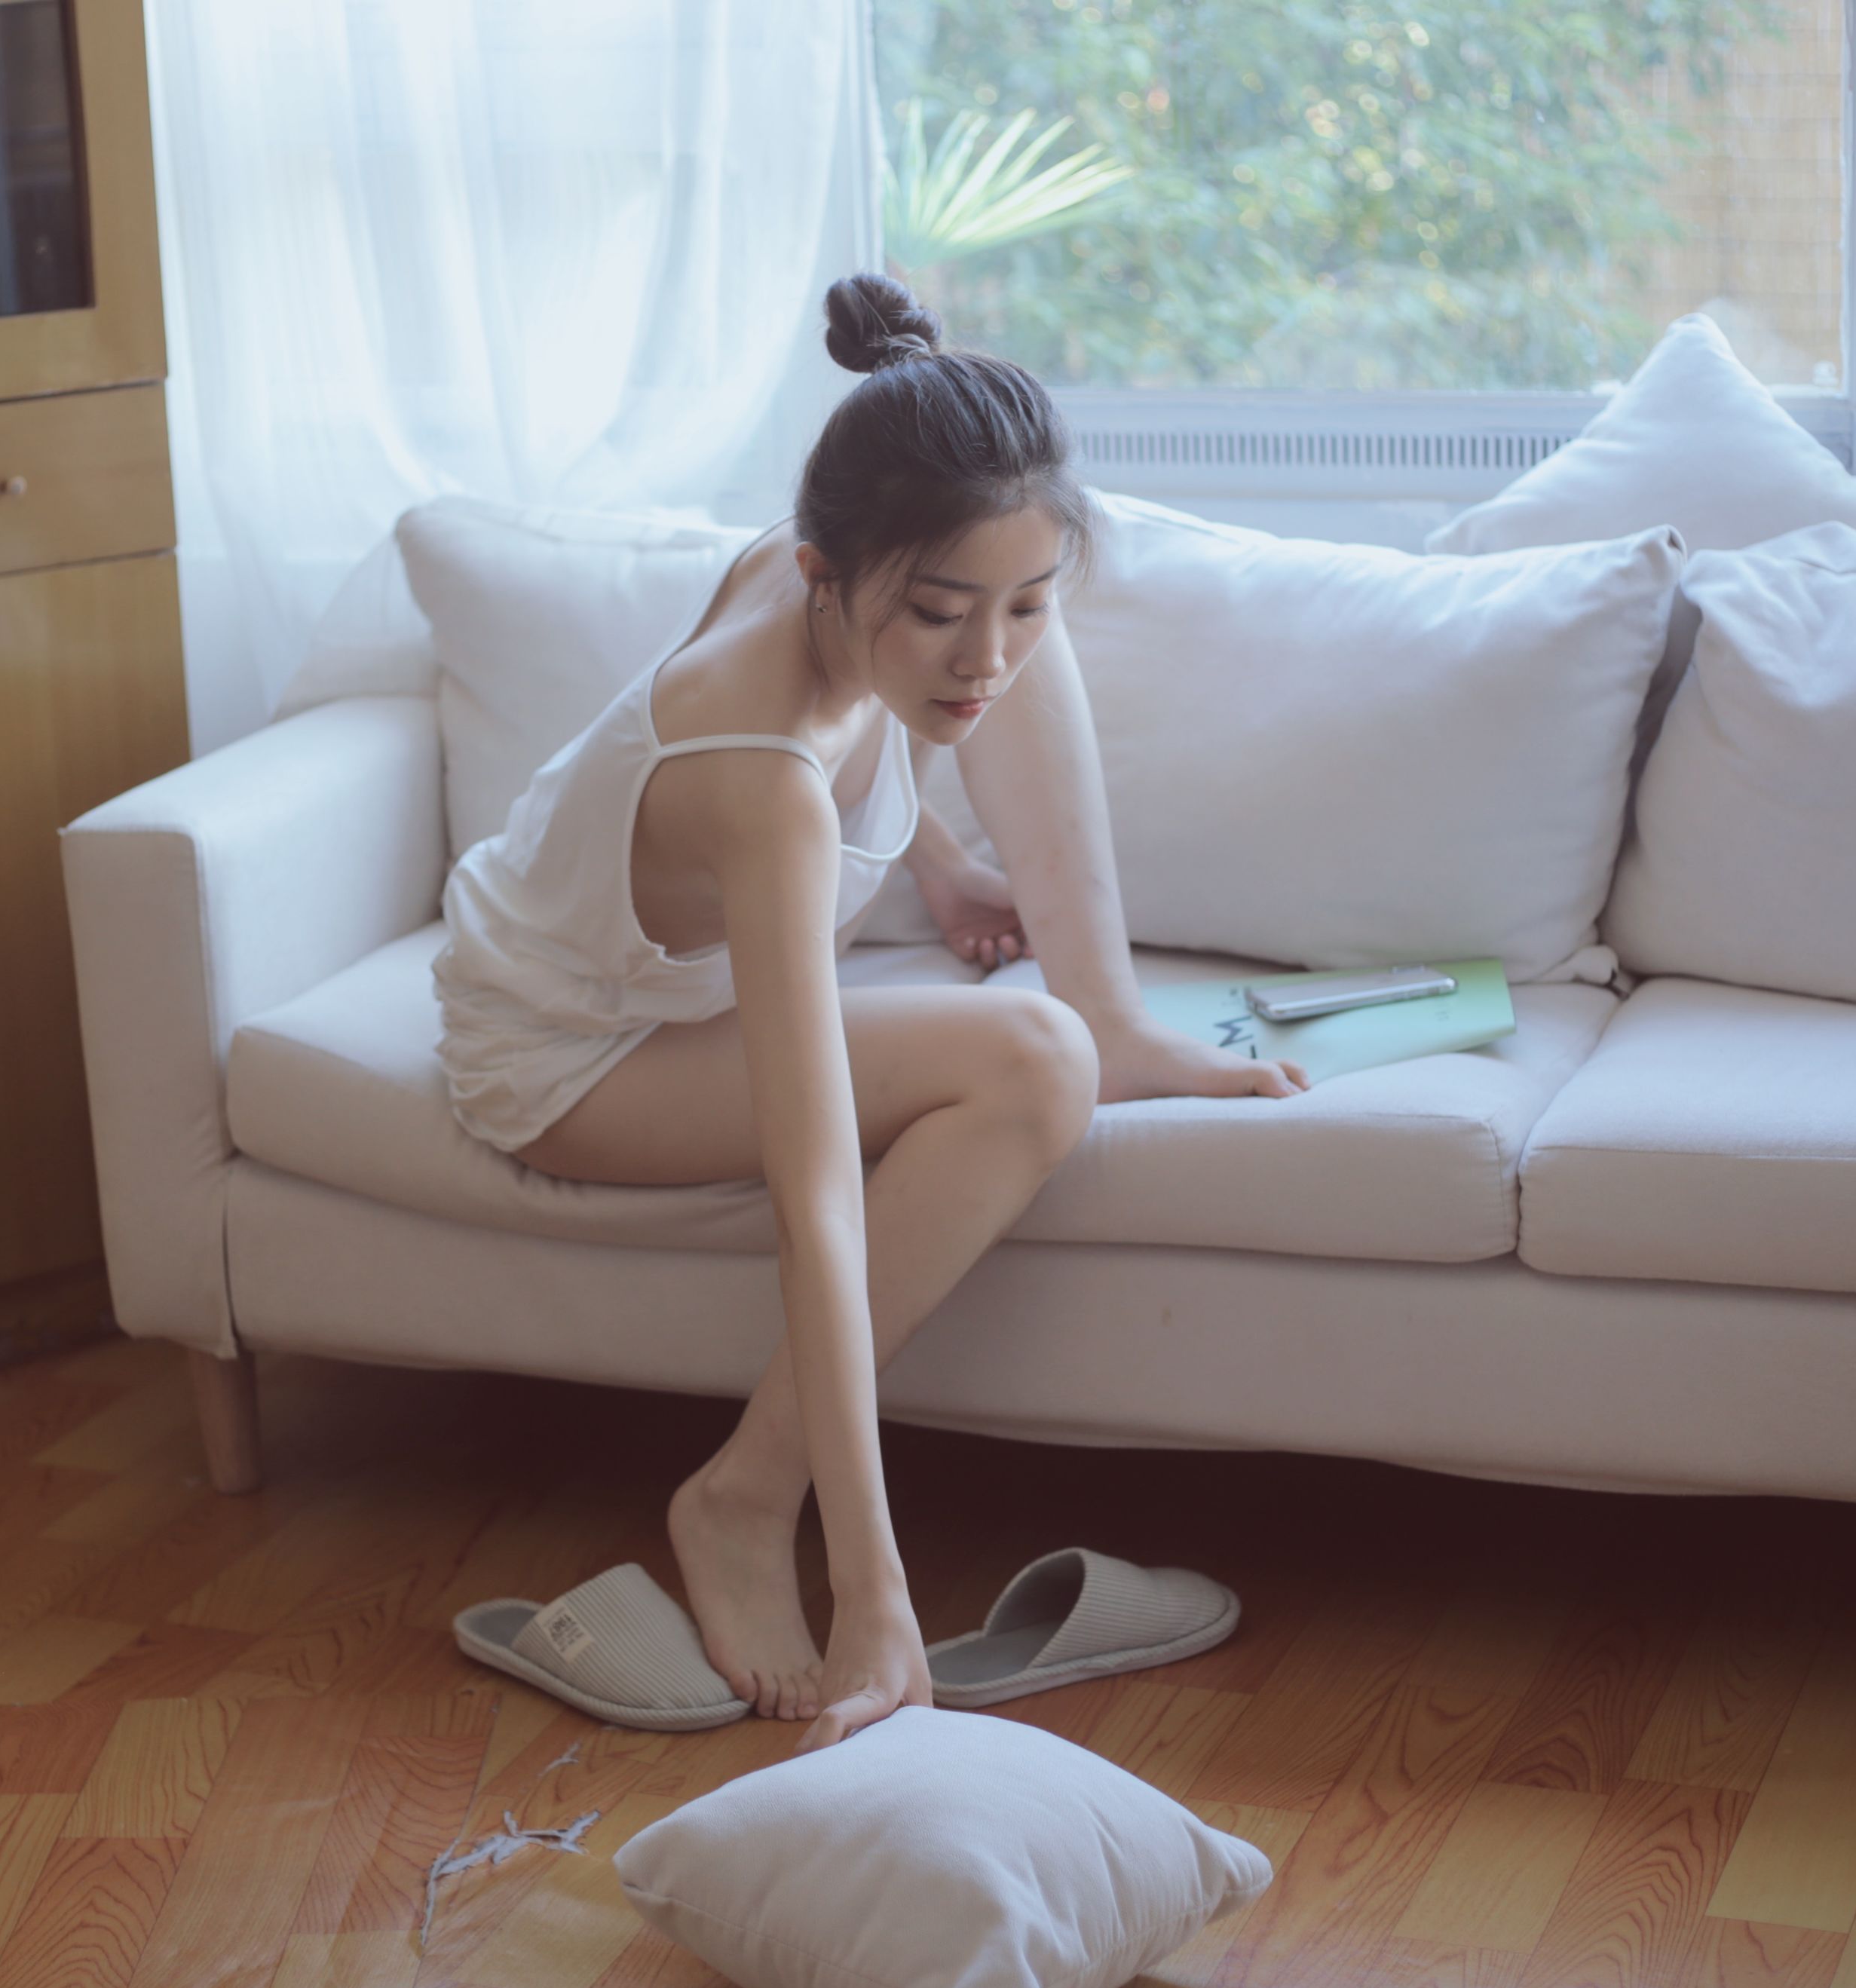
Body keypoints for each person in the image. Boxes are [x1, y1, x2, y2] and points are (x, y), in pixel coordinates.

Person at [432, 273, 1309, 1754]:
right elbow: (819, 1188)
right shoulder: (760, 783)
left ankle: (1121, 1009)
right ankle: (739, 1499)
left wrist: (946, 857)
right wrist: (875, 1590)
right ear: (822, 573)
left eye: (1028, 603)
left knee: (1068, 1004)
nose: (988, 656)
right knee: (1037, 1063)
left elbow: (923, 686)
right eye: (941, 615)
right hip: (570, 1047)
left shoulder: (890, 596)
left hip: (654, 963)